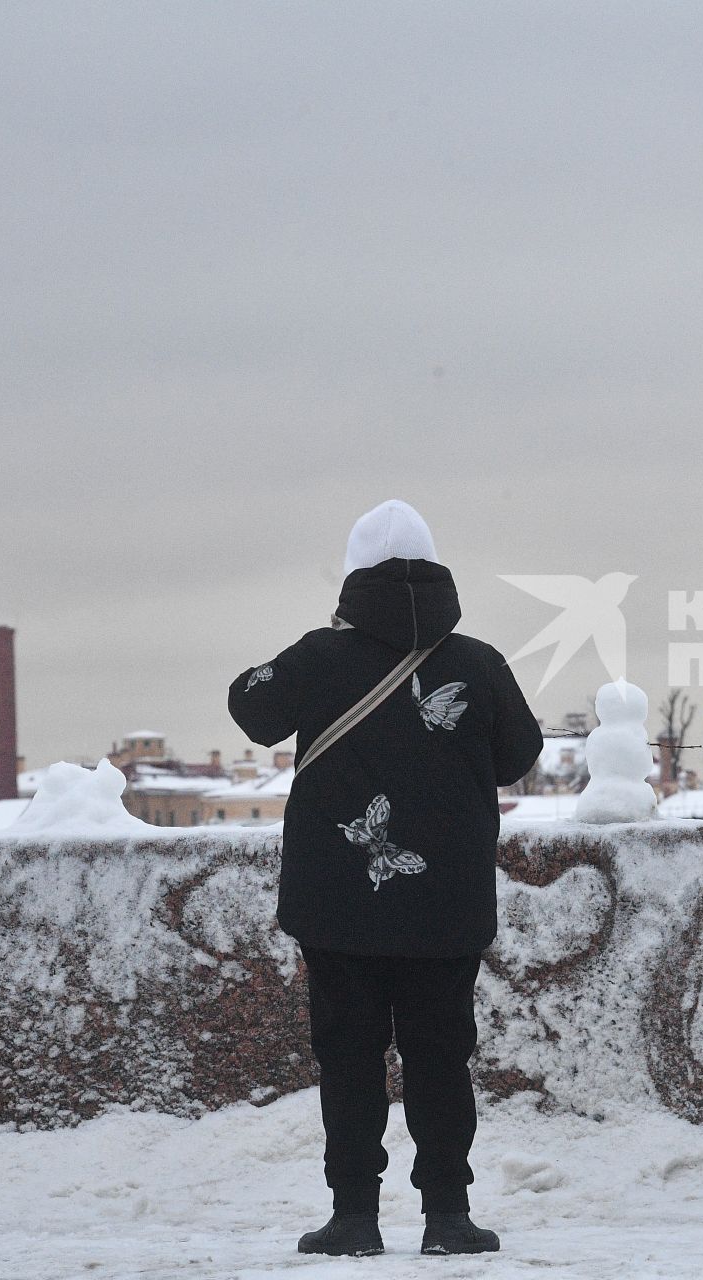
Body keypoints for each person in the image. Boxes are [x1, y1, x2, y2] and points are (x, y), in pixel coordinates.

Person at [230, 499, 543, 1257]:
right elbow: (519, 755)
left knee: (348, 1058)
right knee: (441, 1057)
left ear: (352, 579)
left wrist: (325, 655)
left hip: (339, 897)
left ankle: (354, 1218)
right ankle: (448, 1217)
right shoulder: (477, 662)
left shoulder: (317, 656)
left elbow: (251, 708)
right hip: (446, 900)